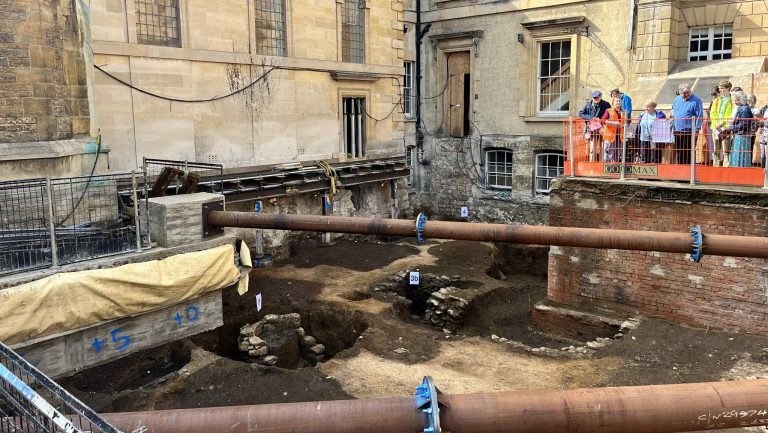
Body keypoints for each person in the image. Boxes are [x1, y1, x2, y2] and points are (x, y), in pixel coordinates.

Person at [671, 83, 703, 165]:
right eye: (684, 93)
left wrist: (697, 130)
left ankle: (689, 171)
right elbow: (673, 111)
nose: (686, 95)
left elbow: (699, 116)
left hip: (689, 131)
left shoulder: (696, 100)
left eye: (688, 92)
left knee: (689, 152)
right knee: (679, 151)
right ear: (680, 92)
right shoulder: (676, 99)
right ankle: (681, 169)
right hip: (677, 130)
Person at [579, 91, 612, 161]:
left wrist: (602, 120)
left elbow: (610, 114)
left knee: (602, 148)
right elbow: (581, 114)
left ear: (600, 97)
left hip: (602, 128)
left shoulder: (606, 104)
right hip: (592, 129)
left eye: (597, 98)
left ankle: (601, 163)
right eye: (594, 98)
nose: (595, 99)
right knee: (592, 148)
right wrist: (591, 118)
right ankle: (592, 164)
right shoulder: (588, 104)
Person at [727, 91, 754, 167]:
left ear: (740, 99)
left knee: (740, 154)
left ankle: (740, 169)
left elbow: (744, 124)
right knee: (738, 154)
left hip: (742, 135)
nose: (734, 101)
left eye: (735, 100)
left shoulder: (744, 109)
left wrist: (732, 127)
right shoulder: (743, 108)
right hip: (740, 134)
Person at [710, 80, 733, 166]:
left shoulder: (731, 101)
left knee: (725, 148)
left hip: (725, 127)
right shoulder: (716, 100)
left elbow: (731, 114)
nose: (720, 90)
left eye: (722, 88)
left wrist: (722, 123)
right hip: (715, 127)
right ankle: (715, 165)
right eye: (719, 88)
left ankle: (726, 165)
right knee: (716, 148)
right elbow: (713, 112)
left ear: (728, 88)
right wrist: (716, 123)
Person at [601, 97, 624, 162]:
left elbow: (626, 122)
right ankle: (607, 169)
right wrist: (614, 123)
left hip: (619, 137)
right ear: (613, 103)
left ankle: (615, 167)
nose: (618, 102)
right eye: (616, 101)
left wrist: (623, 126)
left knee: (617, 154)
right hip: (610, 136)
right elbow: (602, 121)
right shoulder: (609, 111)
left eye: (619, 101)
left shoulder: (623, 112)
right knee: (608, 154)